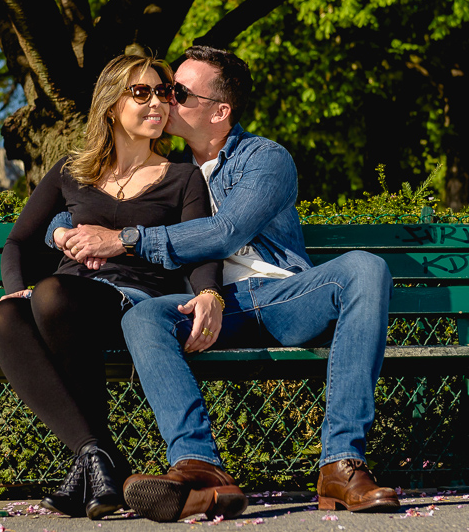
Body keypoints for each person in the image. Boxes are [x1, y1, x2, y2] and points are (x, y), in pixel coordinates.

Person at [53, 45, 400, 522]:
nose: (163, 100)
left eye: (177, 92)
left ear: (220, 111)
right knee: (144, 316)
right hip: (211, 308)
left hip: (285, 298)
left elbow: (226, 231)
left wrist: (126, 239)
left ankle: (342, 464)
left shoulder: (265, 158)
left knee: (365, 266)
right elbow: (84, 201)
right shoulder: (161, 166)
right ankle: (199, 468)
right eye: (162, 90)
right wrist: (63, 230)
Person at [0, 54, 223, 521]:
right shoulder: (71, 172)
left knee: (53, 294)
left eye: (163, 92)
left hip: (132, 305)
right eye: (142, 92)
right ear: (112, 105)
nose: (157, 102)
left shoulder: (182, 178)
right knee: (4, 316)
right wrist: (15, 289)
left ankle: (96, 465)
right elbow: (18, 241)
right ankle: (96, 455)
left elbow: (199, 248)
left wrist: (208, 294)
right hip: (66, 302)